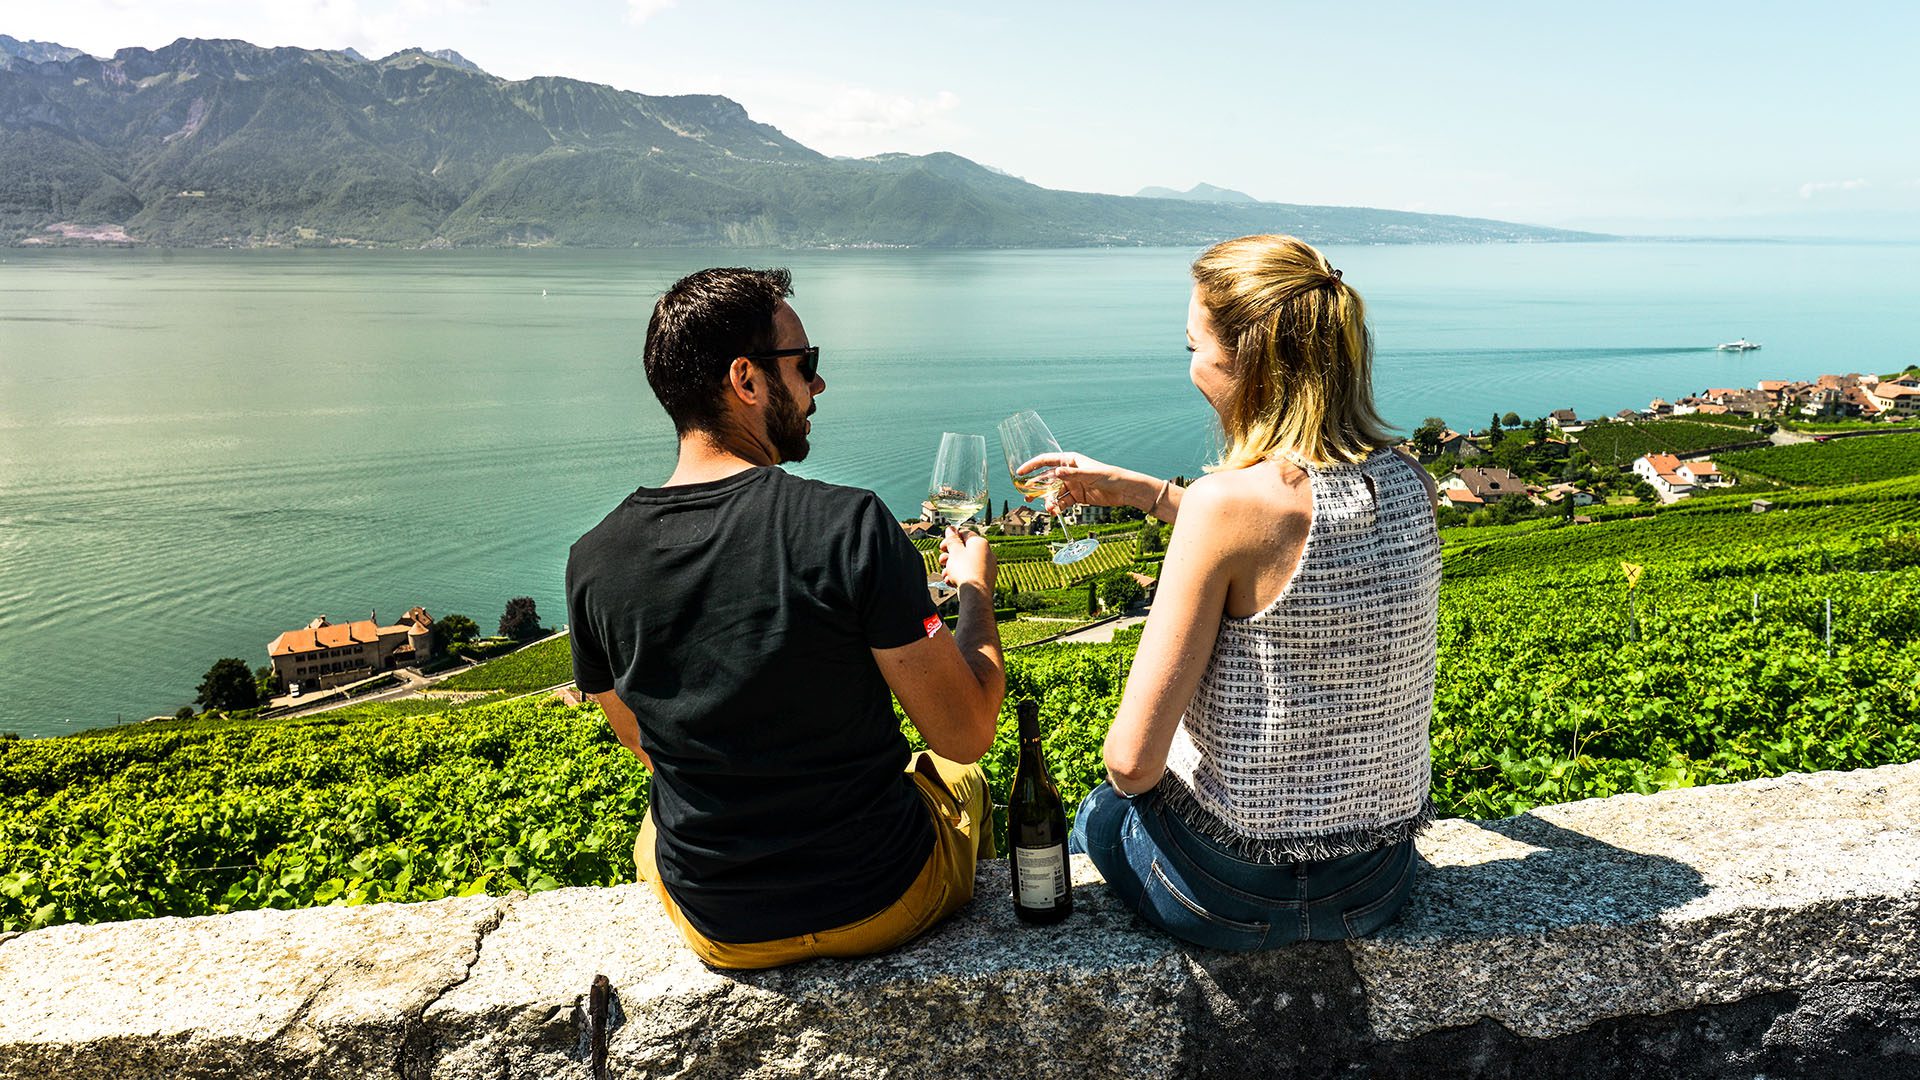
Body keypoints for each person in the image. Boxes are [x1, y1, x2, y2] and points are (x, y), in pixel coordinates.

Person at [565, 267, 1005, 969]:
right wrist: (976, 594)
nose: (817, 387)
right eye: (806, 366)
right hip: (884, 897)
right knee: (967, 784)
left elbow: (641, 739)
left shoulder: (592, 562)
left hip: (722, 928)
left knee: (653, 830)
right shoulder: (848, 526)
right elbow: (966, 732)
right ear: (747, 379)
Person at [1024, 235, 1441, 950]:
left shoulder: (1229, 506)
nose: (1191, 366)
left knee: (1099, 811)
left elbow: (1132, 765)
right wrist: (1151, 494)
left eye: (1193, 346)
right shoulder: (1414, 485)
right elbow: (1303, 545)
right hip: (1377, 884)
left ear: (1244, 363)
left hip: (1231, 895)